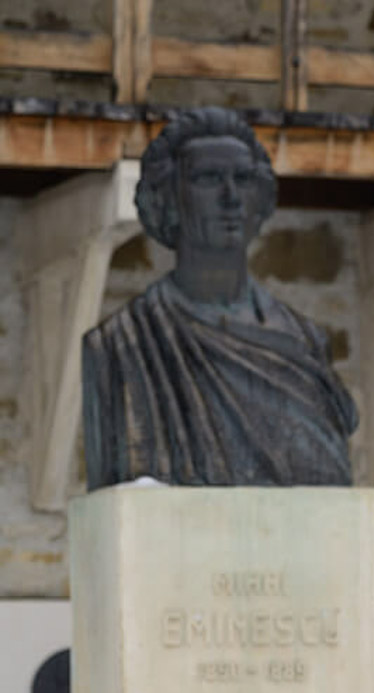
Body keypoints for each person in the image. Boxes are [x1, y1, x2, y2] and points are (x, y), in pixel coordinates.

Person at [82, 107, 357, 490]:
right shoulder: (126, 343)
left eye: (243, 179)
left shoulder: (306, 343)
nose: (231, 198)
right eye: (208, 179)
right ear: (169, 200)